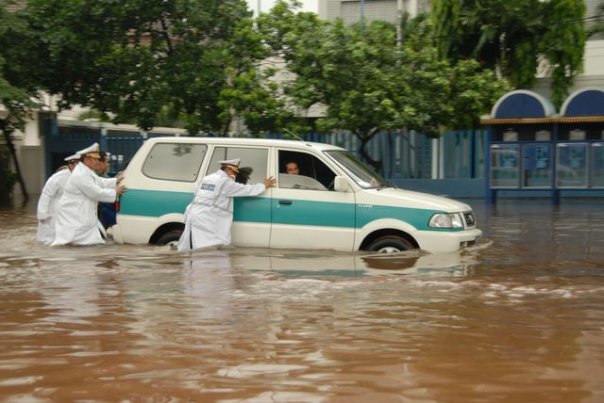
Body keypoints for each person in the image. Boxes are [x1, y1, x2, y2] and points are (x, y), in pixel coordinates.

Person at [176, 159, 276, 251]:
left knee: (194, 247)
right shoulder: (225, 183)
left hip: (194, 215)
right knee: (210, 250)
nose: (234, 176)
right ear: (228, 169)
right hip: (208, 219)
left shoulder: (207, 178)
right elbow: (247, 190)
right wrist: (264, 185)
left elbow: (197, 190)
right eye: (234, 173)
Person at [51, 143, 127, 246]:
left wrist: (115, 180)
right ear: (87, 159)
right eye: (95, 159)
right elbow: (96, 193)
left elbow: (99, 181)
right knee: (70, 251)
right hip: (74, 223)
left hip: (82, 222)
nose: (97, 162)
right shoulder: (80, 175)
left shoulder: (86, 171)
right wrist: (115, 192)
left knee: (88, 252)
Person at [36, 153, 80, 244]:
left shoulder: (83, 177)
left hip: (71, 210)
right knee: (50, 238)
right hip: (55, 209)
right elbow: (46, 194)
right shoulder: (57, 177)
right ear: (70, 165)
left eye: (78, 164)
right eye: (73, 164)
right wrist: (43, 213)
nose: (75, 166)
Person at [96, 151, 118, 229]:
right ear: (99, 162)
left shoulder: (103, 174)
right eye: (106, 162)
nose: (108, 165)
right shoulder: (92, 175)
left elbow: (108, 181)